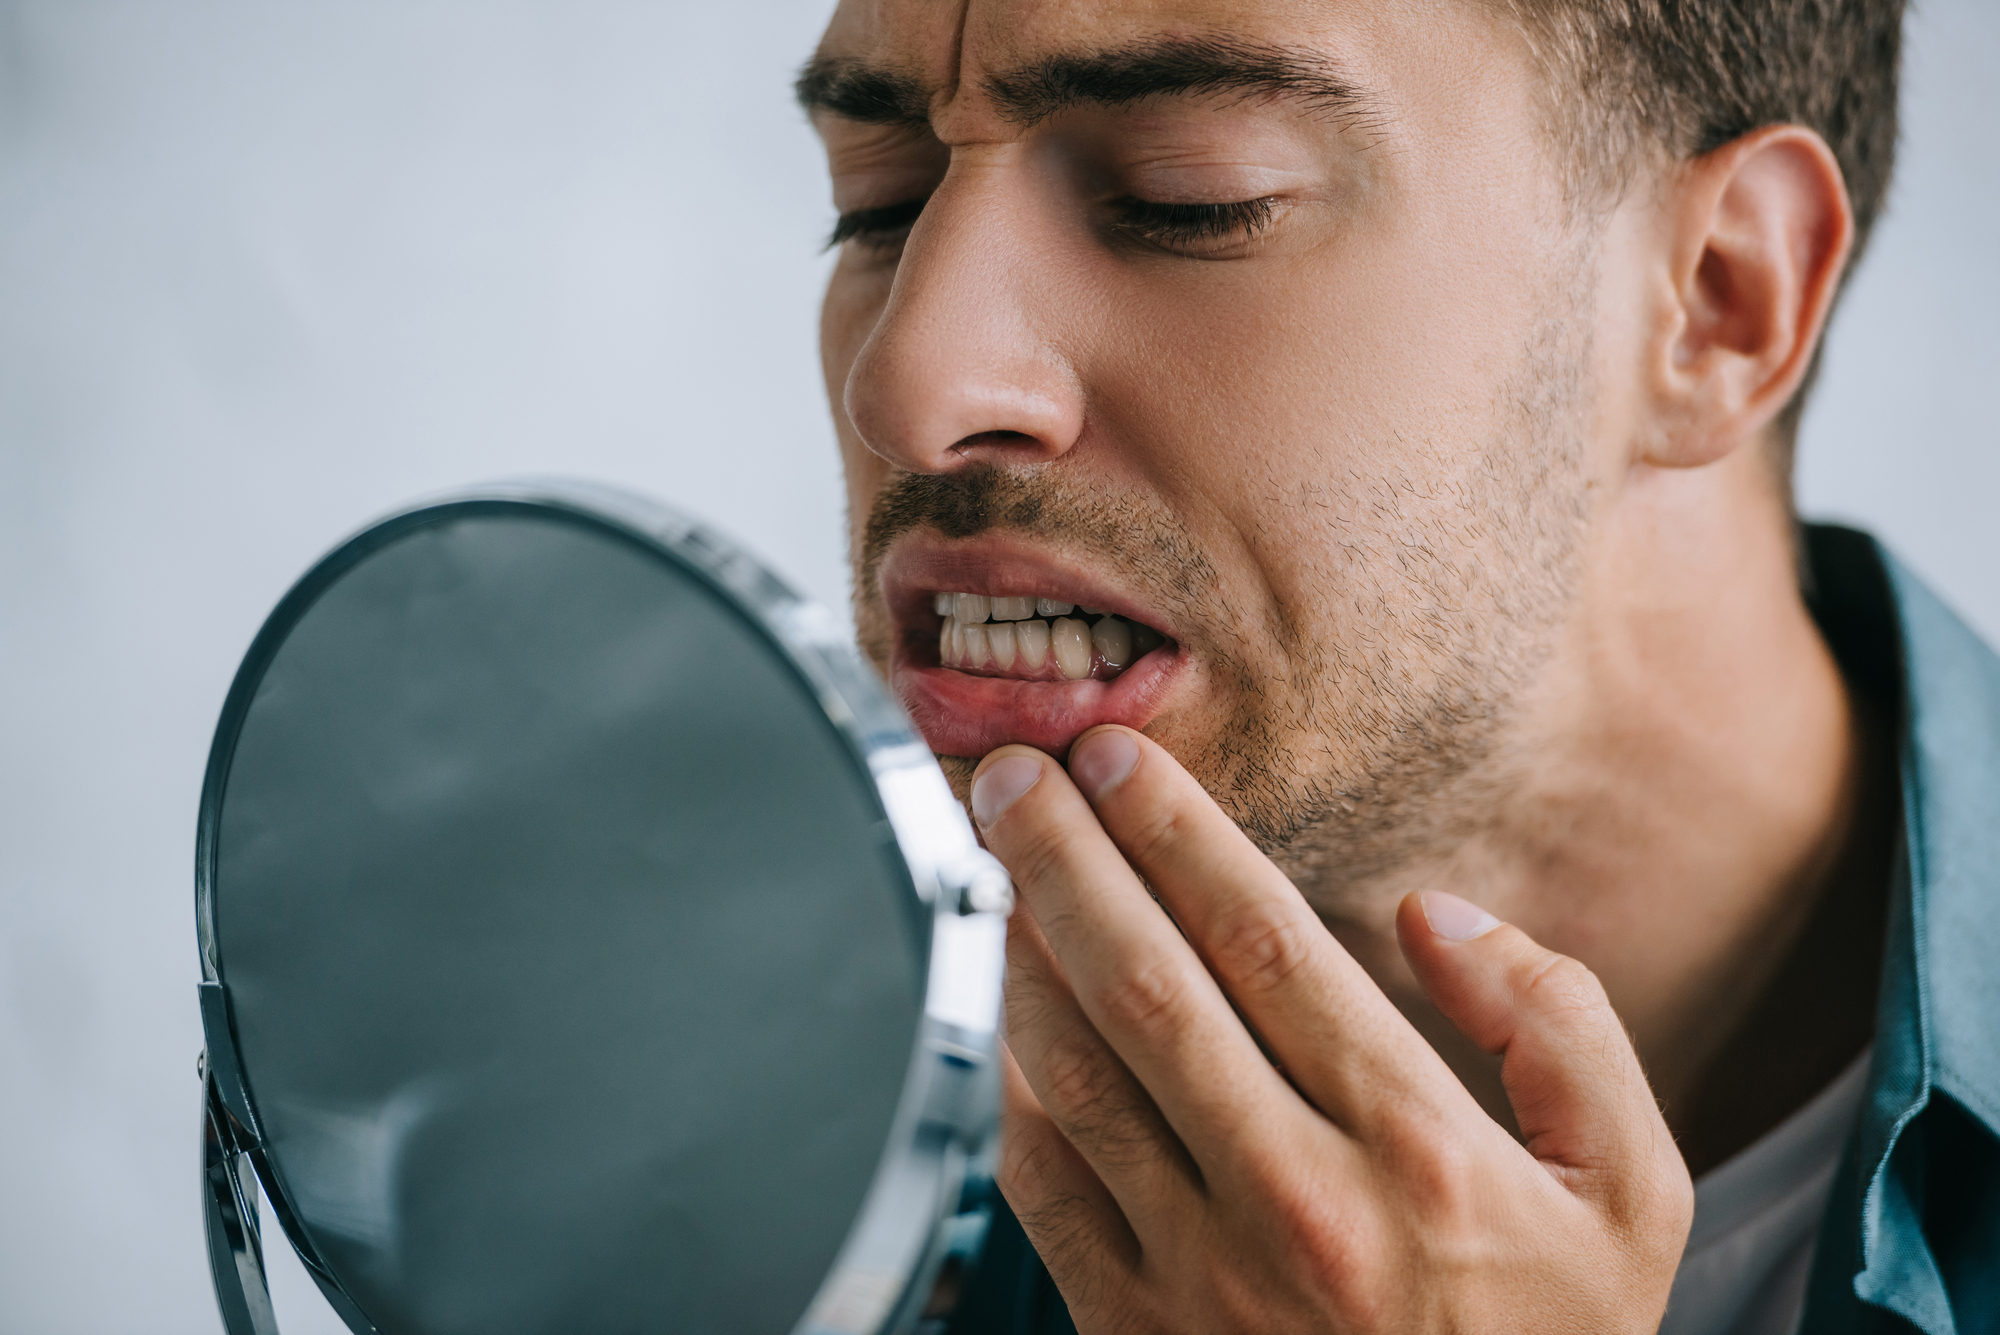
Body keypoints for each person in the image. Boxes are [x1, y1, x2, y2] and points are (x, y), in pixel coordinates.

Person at [799, 0, 1996, 1330]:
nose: (910, 383)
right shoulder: (673, 1128)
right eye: (881, 207)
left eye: (1188, 199)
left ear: (1719, 297)